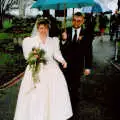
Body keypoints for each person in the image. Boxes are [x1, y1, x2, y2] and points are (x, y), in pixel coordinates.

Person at [14, 18, 73, 120]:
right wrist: (34, 57)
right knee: (37, 94)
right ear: (37, 28)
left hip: (51, 67)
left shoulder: (53, 41)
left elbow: (56, 53)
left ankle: (52, 115)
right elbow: (27, 56)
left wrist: (63, 61)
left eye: (45, 28)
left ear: (48, 28)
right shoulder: (31, 41)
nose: (43, 30)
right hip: (37, 68)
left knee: (54, 92)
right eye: (41, 28)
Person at [60, 12, 92, 115]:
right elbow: (61, 49)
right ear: (72, 20)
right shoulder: (66, 30)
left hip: (78, 65)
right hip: (66, 64)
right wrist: (64, 40)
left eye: (79, 20)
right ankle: (64, 104)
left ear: (82, 21)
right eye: (74, 20)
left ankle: (73, 108)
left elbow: (88, 51)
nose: (76, 22)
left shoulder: (86, 33)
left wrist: (88, 67)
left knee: (75, 86)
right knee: (66, 84)